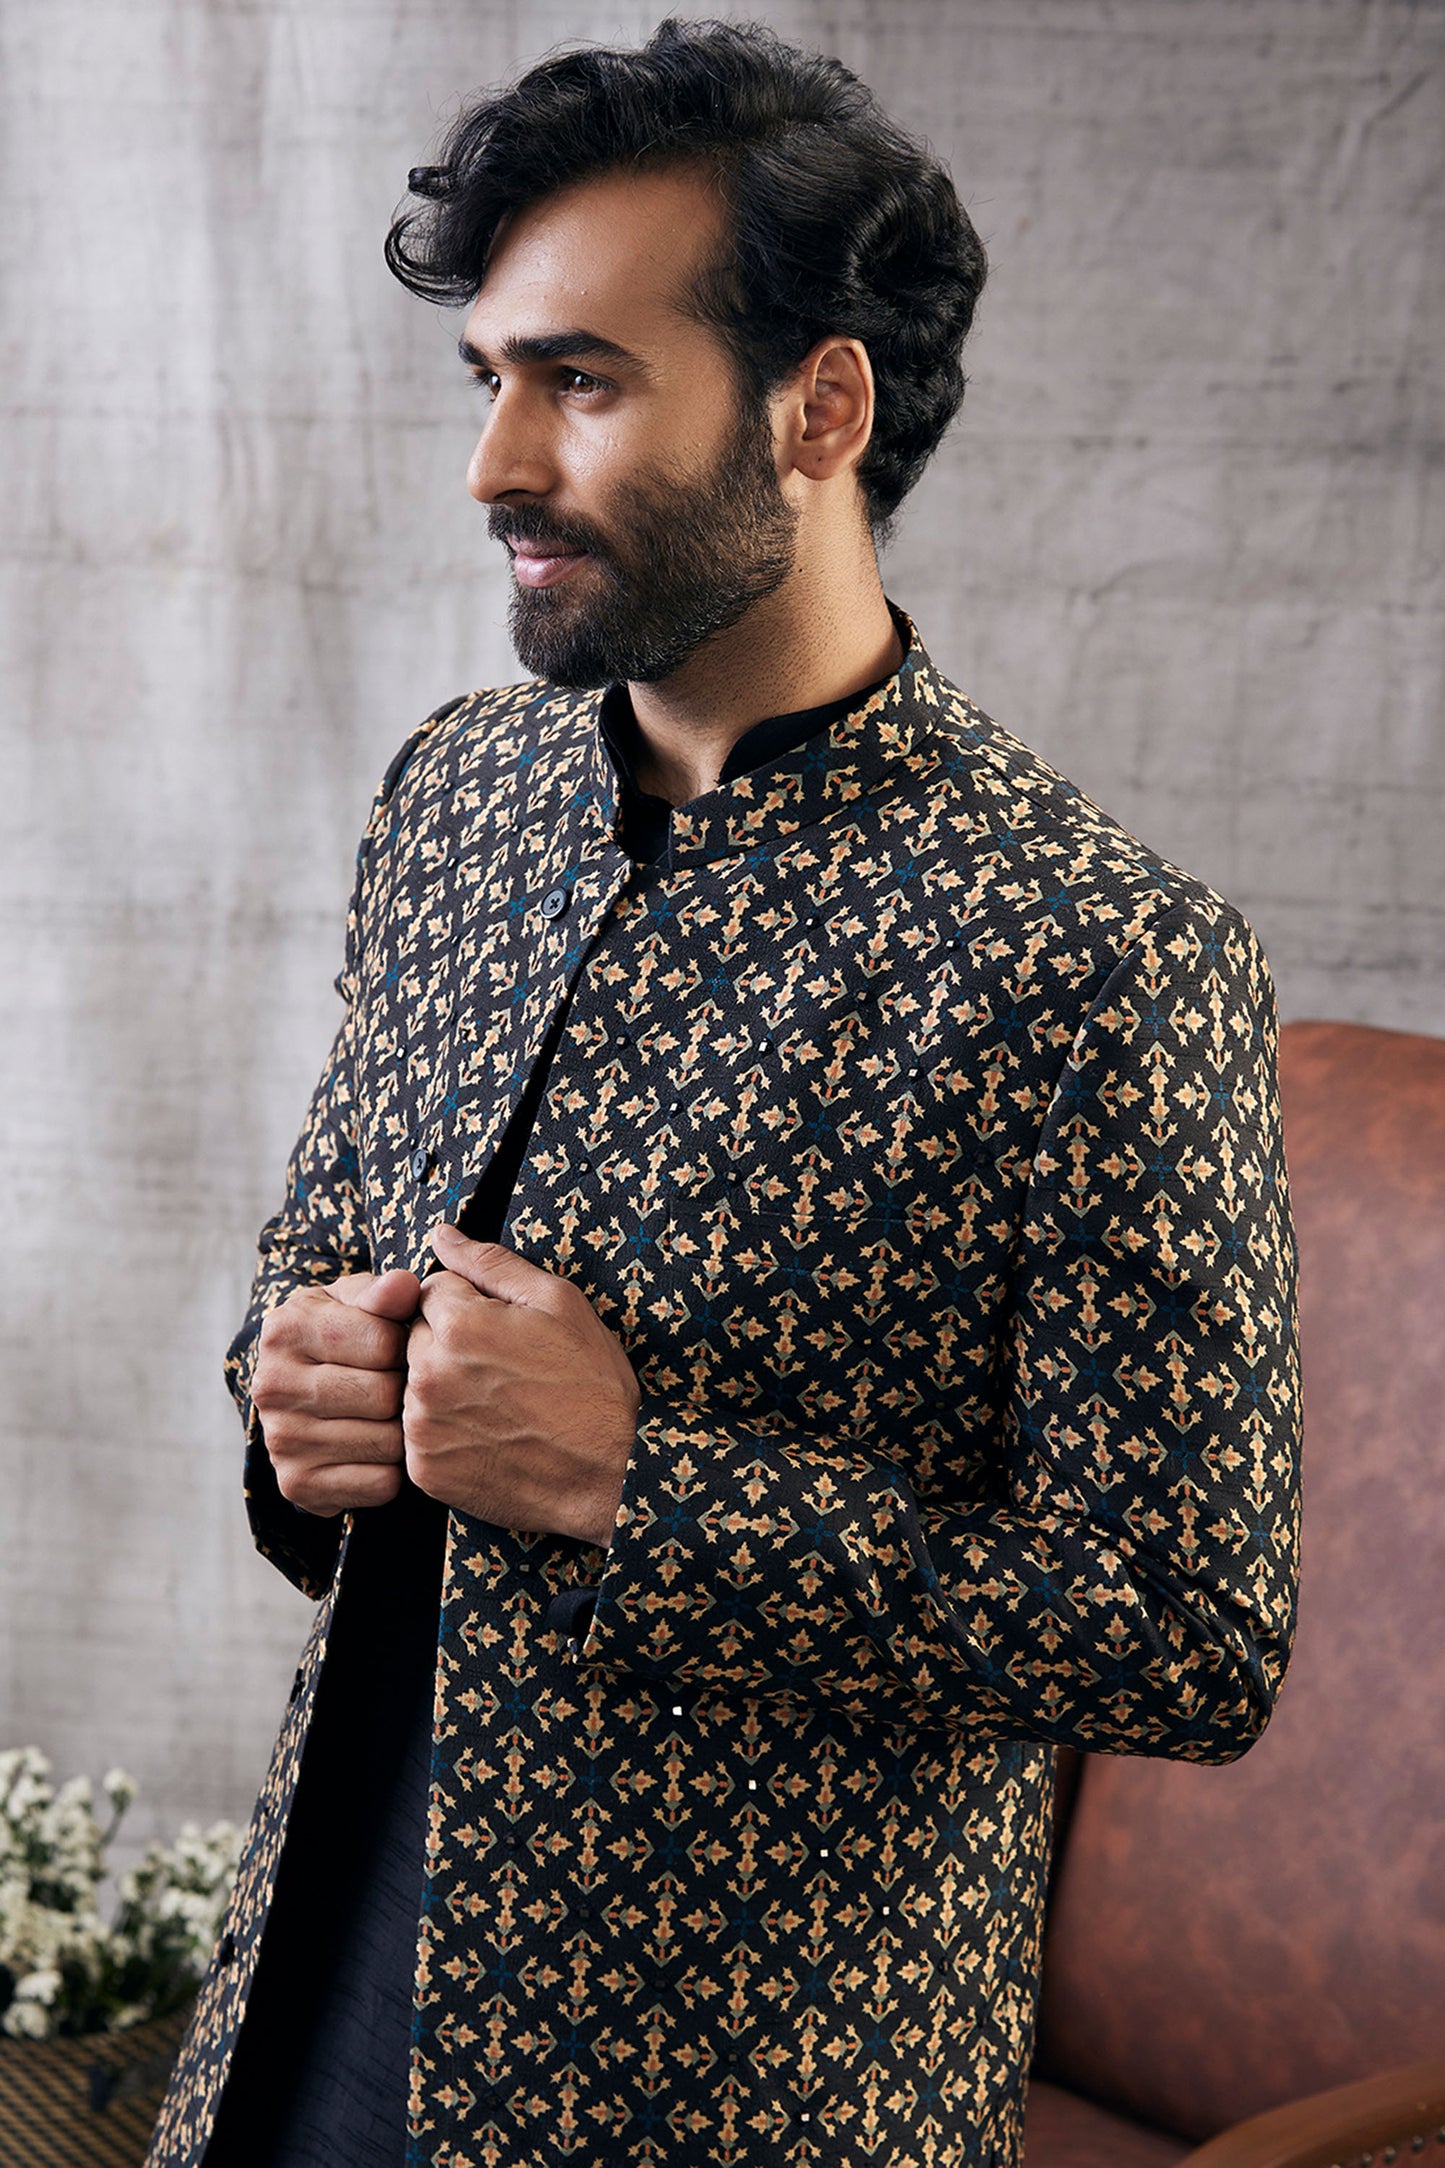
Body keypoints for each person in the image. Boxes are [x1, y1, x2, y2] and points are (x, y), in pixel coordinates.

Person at [149, 18, 1302, 2168]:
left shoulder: (1097, 955)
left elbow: (1185, 1624)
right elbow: (315, 1256)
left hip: (742, 2090)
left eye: (579, 381)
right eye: (487, 378)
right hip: (315, 1984)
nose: (493, 462)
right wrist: (296, 1387)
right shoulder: (460, 795)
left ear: (818, 407)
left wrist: (637, 1487)